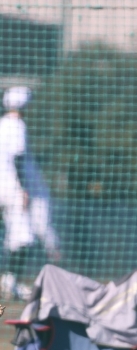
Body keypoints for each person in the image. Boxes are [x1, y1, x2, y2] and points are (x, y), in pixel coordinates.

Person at [0, 86, 60, 301]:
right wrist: (23, 189)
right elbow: (17, 158)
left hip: (5, 189)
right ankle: (10, 281)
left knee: (16, 237)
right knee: (24, 237)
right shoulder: (17, 125)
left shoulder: (2, 124)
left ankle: (10, 282)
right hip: (15, 189)